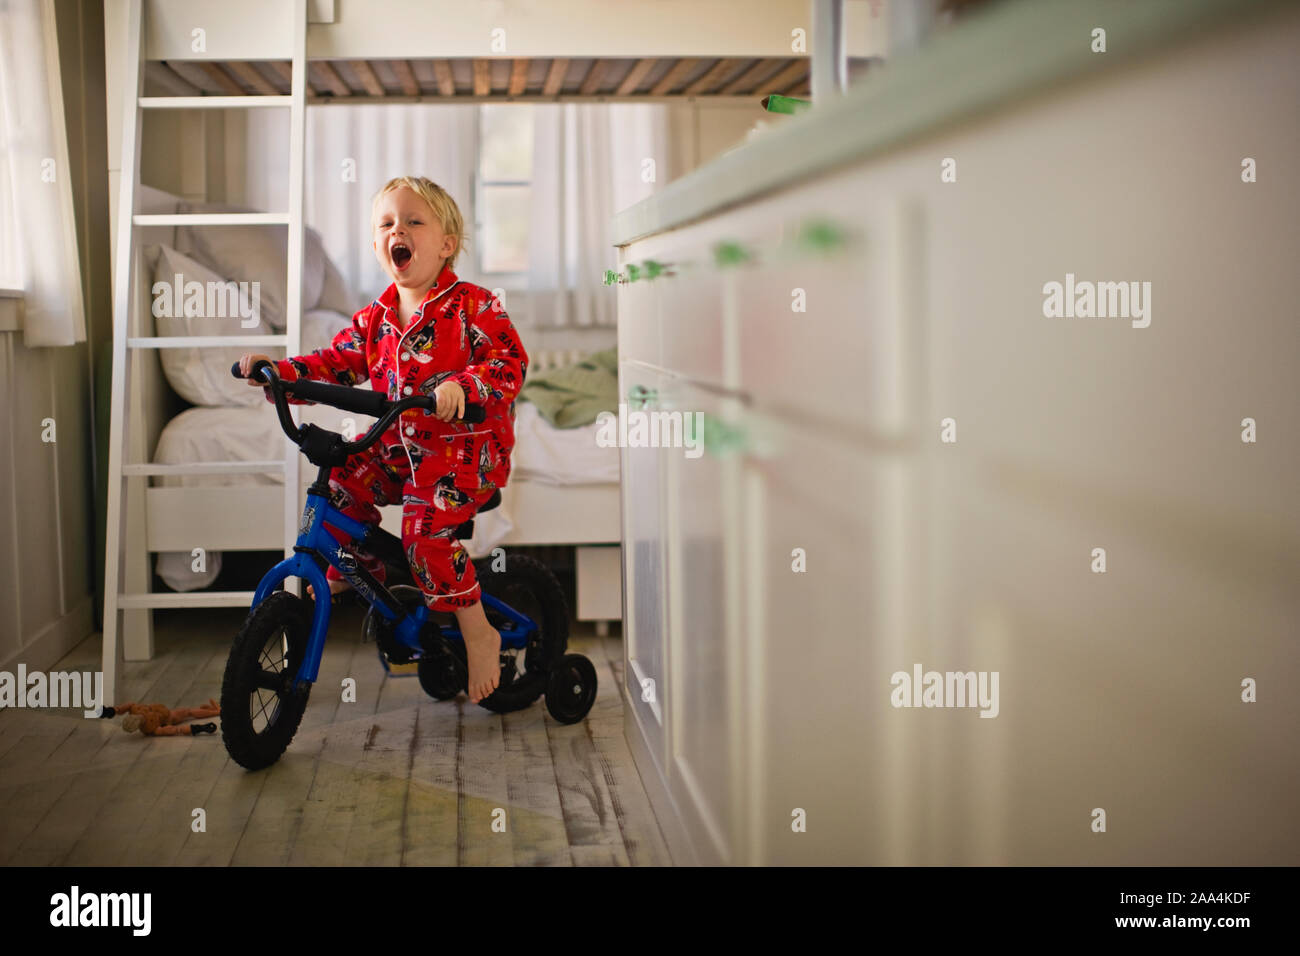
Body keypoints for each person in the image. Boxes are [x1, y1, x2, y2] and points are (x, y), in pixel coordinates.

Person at [238, 176, 527, 704]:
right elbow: (336, 363)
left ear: (446, 244)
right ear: (377, 246)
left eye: (415, 221)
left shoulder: (475, 307)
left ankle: (477, 628)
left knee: (424, 535)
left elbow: (509, 364)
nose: (400, 230)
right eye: (388, 224)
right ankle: (359, 568)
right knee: (342, 481)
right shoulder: (374, 319)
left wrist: (465, 384)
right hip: (396, 448)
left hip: (462, 454)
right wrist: (278, 372)